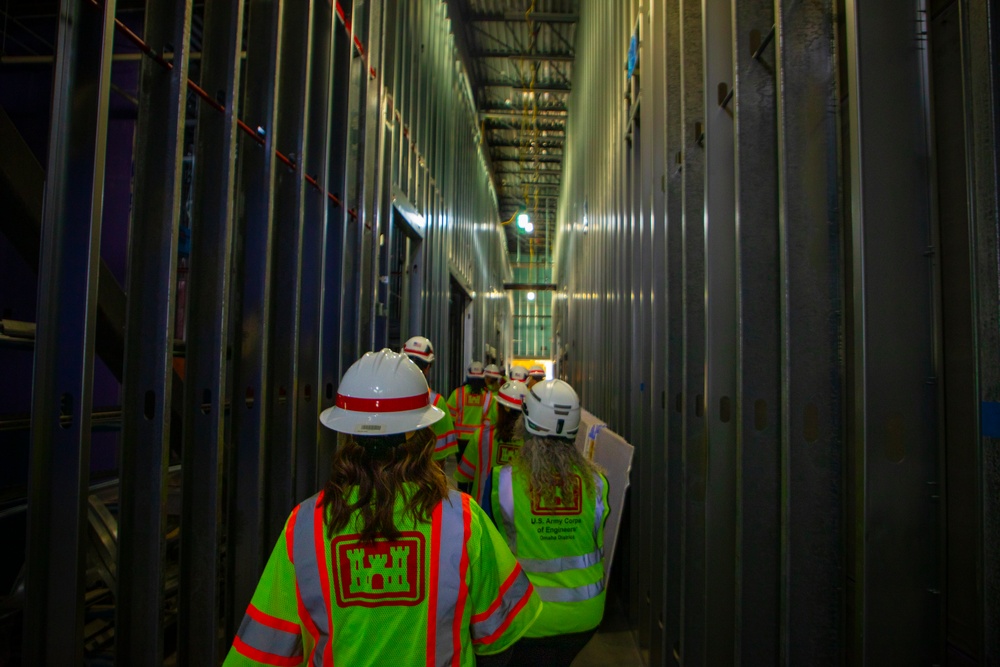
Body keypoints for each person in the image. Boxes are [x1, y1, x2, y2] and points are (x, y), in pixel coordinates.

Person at [223, 349, 542, 666]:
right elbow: (499, 639)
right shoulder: (464, 521)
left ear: (345, 433)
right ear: (422, 434)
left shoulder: (305, 526)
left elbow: (262, 651)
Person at [488, 379, 609, 667]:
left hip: (526, 615)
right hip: (586, 615)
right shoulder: (598, 484)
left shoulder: (503, 482)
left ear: (525, 423)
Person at [455, 380, 528, 505]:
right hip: (518, 513)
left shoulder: (482, 435)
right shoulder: (532, 441)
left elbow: (464, 474)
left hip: (484, 512)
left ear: (498, 407)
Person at [403, 336, 458, 463]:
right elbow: (439, 458)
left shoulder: (383, 397)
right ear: (427, 368)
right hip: (421, 478)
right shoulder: (437, 402)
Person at [447, 361, 495, 464]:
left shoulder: (457, 393)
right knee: (476, 470)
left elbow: (449, 419)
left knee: (461, 469)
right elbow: (491, 422)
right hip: (480, 440)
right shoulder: (489, 397)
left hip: (461, 440)